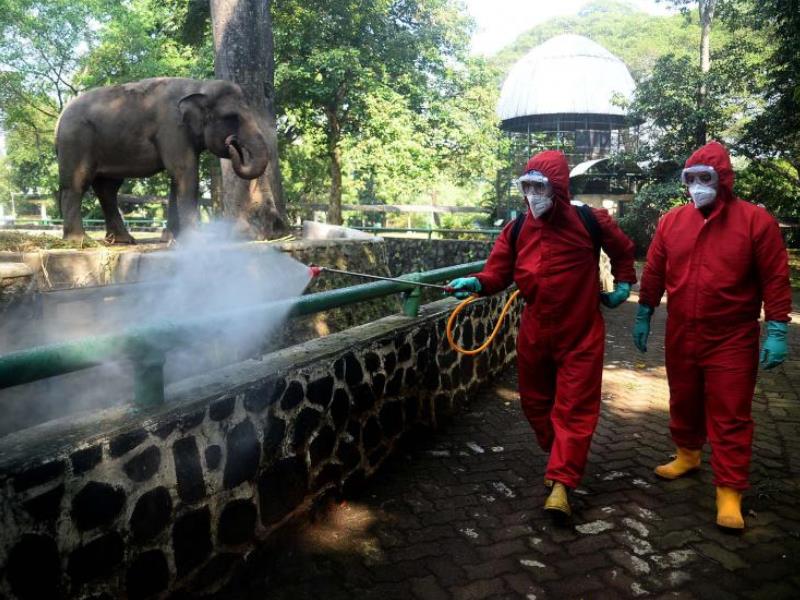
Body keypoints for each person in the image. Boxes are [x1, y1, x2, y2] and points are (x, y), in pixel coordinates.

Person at [447, 150, 637, 517]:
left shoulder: (589, 220)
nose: (533, 195)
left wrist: (625, 283)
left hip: (580, 331)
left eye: (540, 187)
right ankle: (560, 456)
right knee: (536, 405)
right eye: (527, 186)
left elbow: (623, 250)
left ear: (558, 188)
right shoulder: (516, 229)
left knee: (574, 408)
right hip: (535, 332)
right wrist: (475, 283)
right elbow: (497, 274)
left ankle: (562, 484)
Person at [634, 141, 791, 530]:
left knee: (730, 412)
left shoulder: (755, 221)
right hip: (682, 331)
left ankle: (730, 490)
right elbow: (654, 268)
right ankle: (688, 454)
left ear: (724, 179)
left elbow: (774, 278)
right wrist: (644, 309)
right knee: (683, 399)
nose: (698, 185)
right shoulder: (672, 221)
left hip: (732, 336)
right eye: (691, 178)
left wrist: (777, 327)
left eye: (706, 178)